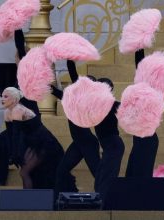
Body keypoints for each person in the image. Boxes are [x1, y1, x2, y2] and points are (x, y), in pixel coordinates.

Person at [0, 29, 39, 185]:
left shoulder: (29, 73)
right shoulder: (21, 74)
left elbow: (21, 47)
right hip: (18, 119)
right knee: (3, 139)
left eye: (18, 57)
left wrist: (17, 27)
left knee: (12, 140)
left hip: (28, 120)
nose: (16, 59)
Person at [51, 60, 100, 196]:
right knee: (61, 170)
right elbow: (60, 94)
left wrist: (70, 58)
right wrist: (51, 89)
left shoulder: (87, 102)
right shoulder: (73, 99)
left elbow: (72, 72)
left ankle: (108, 199)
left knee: (98, 173)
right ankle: (59, 199)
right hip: (79, 143)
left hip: (88, 143)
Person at [2, 87, 64, 189]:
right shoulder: (7, 112)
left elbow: (16, 134)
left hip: (44, 142)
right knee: (28, 172)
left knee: (24, 172)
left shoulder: (18, 110)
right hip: (32, 142)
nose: (2, 99)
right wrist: (13, 154)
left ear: (14, 98)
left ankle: (29, 202)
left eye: (5, 96)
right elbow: (10, 134)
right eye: (2, 96)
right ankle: (31, 200)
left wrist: (15, 154)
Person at [125, 49, 164, 177]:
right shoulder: (143, 85)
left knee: (142, 172)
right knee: (132, 171)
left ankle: (140, 194)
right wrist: (139, 44)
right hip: (140, 136)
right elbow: (139, 63)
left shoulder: (159, 91)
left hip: (148, 138)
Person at [93, 78, 125, 199]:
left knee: (107, 177)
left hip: (113, 145)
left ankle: (104, 206)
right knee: (101, 177)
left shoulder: (113, 104)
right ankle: (101, 203)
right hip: (108, 146)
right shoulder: (95, 104)